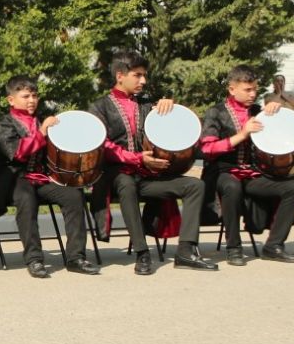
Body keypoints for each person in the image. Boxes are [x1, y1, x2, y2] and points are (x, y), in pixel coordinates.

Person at [90, 50, 215, 274]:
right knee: (126, 183)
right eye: (137, 75)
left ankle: (186, 251)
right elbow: (103, 146)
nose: (143, 81)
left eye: (144, 75)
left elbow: (172, 130)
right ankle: (142, 253)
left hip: (148, 176)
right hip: (115, 177)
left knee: (195, 185)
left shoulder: (148, 104)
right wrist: (138, 158)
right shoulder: (99, 107)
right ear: (120, 76)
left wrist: (170, 107)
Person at [0, 76, 98, 278]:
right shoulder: (5, 124)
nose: (32, 100)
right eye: (26, 96)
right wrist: (42, 132)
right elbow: (17, 152)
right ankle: (34, 259)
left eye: (34, 96)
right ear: (11, 100)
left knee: (73, 196)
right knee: (26, 199)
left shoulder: (43, 119)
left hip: (43, 178)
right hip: (15, 178)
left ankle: (75, 257)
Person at [199, 65, 294, 265]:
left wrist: (276, 111)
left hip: (251, 173)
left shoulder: (258, 112)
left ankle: (273, 245)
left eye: (255, 89)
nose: (253, 94)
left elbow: (279, 138)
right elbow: (207, 149)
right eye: (248, 89)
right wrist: (242, 134)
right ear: (232, 89)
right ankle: (234, 247)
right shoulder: (216, 112)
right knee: (232, 186)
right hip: (221, 171)